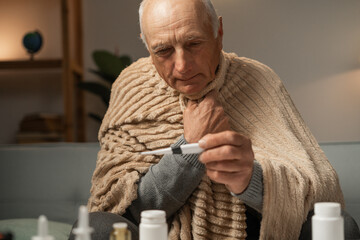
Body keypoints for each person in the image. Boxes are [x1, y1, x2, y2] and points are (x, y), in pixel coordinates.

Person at [69, 0, 360, 239]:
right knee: (97, 228)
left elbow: (319, 190)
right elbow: (124, 208)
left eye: (194, 43)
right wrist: (189, 150)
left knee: (340, 226)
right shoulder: (131, 85)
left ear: (218, 31)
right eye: (163, 51)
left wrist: (251, 181)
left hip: (253, 234)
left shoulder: (259, 79)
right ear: (147, 48)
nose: (182, 66)